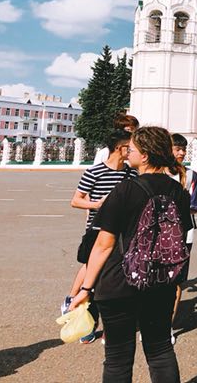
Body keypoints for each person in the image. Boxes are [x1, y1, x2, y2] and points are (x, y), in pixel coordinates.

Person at [69, 126, 191, 383]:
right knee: (160, 351)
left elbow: (103, 245)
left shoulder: (125, 190)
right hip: (160, 281)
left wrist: (85, 288)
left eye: (132, 149)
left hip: (120, 281)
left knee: (118, 358)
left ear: (144, 156)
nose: (127, 153)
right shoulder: (178, 191)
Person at [64, 129, 134, 343]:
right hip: (97, 232)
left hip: (122, 234)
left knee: (113, 281)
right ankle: (87, 323)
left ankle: (111, 326)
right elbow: (76, 200)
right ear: (119, 148)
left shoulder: (131, 174)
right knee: (92, 280)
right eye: (129, 147)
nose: (132, 150)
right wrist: (98, 204)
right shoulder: (95, 172)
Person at [170, 133, 197, 343]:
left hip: (183, 233)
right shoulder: (155, 173)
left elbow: (194, 206)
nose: (181, 153)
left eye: (183, 149)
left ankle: (167, 326)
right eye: (177, 149)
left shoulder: (190, 176)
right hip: (155, 235)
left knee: (176, 281)